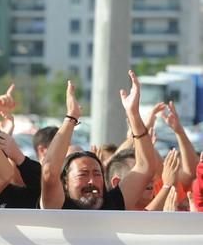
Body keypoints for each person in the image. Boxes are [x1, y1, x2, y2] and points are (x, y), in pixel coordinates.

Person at [40, 72, 155, 210]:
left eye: (97, 174)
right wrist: (71, 117)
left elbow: (145, 167)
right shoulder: (57, 205)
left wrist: (133, 114)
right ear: (65, 182)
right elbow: (49, 172)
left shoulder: (112, 204)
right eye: (83, 174)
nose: (91, 181)